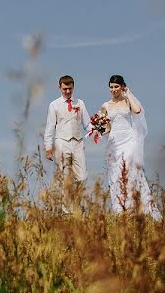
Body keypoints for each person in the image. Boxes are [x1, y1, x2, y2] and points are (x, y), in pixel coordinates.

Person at [99, 74, 158, 217]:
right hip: (114, 142)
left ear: (122, 87)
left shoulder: (127, 102)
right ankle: (121, 209)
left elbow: (138, 111)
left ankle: (139, 207)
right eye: (111, 87)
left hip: (129, 140)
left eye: (116, 87)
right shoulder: (105, 106)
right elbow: (107, 128)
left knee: (131, 170)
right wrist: (98, 129)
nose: (113, 90)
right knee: (116, 174)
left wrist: (129, 94)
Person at [43, 75, 92, 210]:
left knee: (81, 177)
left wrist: (98, 129)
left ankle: (77, 206)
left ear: (73, 87)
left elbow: (87, 124)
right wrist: (48, 147)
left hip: (78, 142)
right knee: (65, 177)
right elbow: (49, 127)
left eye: (70, 89)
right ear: (60, 88)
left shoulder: (80, 103)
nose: (68, 92)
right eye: (65, 89)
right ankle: (66, 211)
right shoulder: (54, 105)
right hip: (61, 143)